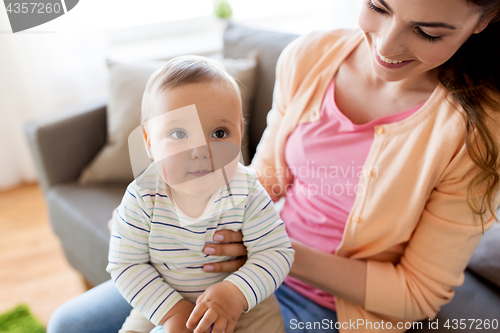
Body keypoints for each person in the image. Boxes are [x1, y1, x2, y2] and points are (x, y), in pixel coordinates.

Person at [47, 1, 500, 332]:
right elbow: (266, 177)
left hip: (328, 307)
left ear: (483, 20)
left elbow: (417, 296)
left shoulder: (479, 132)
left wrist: (268, 252)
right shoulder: (310, 57)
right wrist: (176, 211)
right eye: (378, 6)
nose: (386, 44)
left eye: (428, 32)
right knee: (70, 322)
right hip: (232, 260)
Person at [108, 55, 294, 333]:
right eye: (180, 133)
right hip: (165, 303)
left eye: (219, 133)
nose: (201, 151)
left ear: (239, 135)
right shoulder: (142, 197)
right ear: (149, 143)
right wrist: (173, 311)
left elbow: (275, 252)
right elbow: (125, 265)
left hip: (244, 308)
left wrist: (235, 293)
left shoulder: (247, 190)